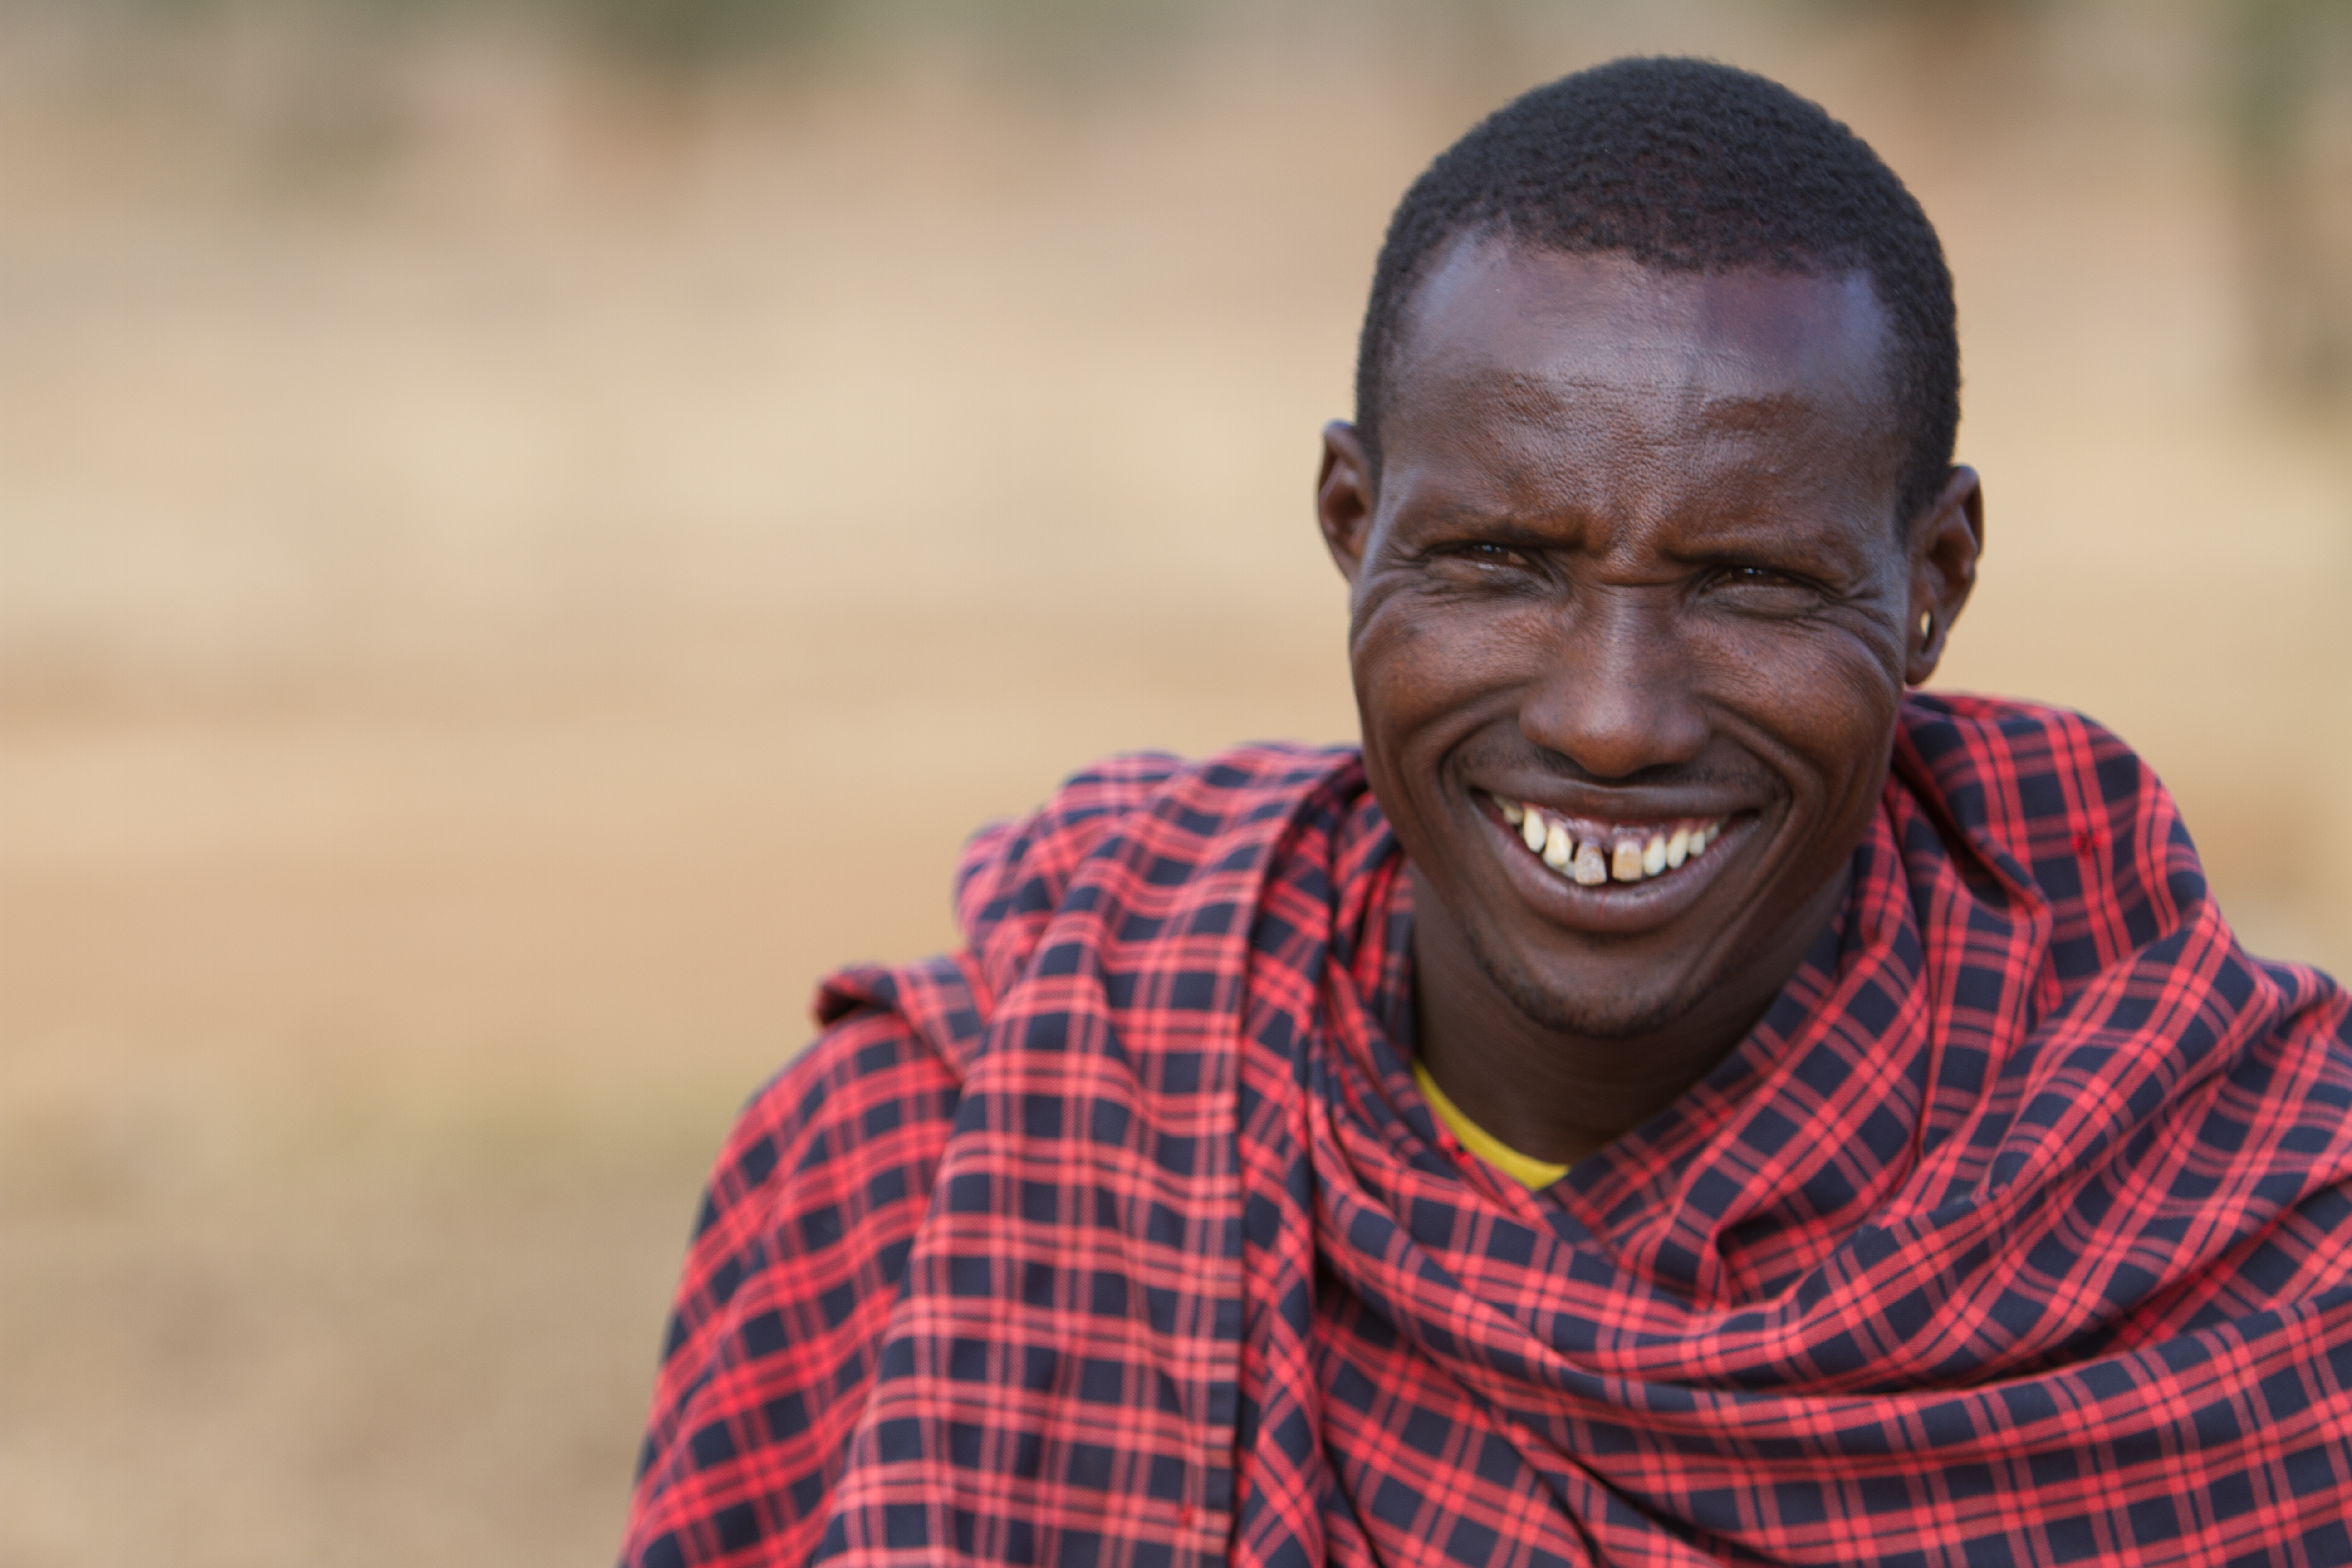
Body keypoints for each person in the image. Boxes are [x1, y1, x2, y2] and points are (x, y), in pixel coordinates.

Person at [617, 58, 2352, 1567]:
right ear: (1347, 521)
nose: (1610, 719)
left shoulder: (2253, 1263)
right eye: (1501, 565)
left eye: (1749, 583)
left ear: (1934, 584)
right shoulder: (933, 1163)